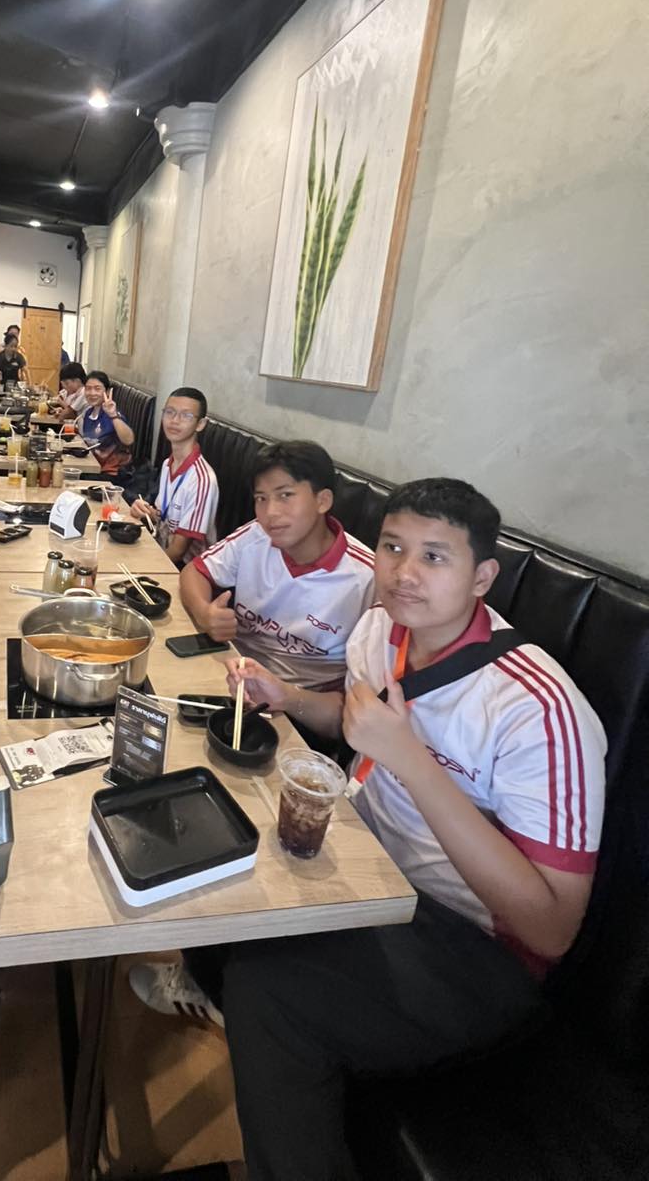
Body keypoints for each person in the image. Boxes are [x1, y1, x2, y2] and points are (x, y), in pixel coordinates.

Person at [141, 477, 608, 1181]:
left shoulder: (537, 710)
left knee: (271, 999)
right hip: (371, 870)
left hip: (472, 947)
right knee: (219, 838)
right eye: (392, 547)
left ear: (483, 576)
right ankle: (213, 988)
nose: (403, 572)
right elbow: (351, 719)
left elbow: (548, 928)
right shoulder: (379, 630)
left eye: (434, 556)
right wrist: (285, 695)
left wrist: (410, 759)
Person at [179, 440, 374, 688]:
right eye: (261, 498)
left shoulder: (367, 577)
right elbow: (195, 571)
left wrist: (290, 700)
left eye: (285, 495)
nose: (270, 512)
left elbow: (365, 685)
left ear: (323, 500)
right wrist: (205, 613)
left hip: (302, 701)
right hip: (232, 676)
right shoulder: (256, 535)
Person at [131, 388, 219, 566]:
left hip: (186, 569)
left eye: (186, 415)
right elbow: (162, 518)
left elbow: (178, 552)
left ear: (200, 424)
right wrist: (146, 512)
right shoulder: (167, 464)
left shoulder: (202, 480)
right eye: (169, 412)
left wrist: (143, 568)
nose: (174, 420)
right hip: (160, 550)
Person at [79, 370, 134, 475]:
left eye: (97, 389)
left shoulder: (113, 414)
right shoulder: (88, 413)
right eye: (88, 388)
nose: (92, 393)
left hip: (112, 473)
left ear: (107, 392)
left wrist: (113, 415)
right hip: (94, 467)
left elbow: (129, 440)